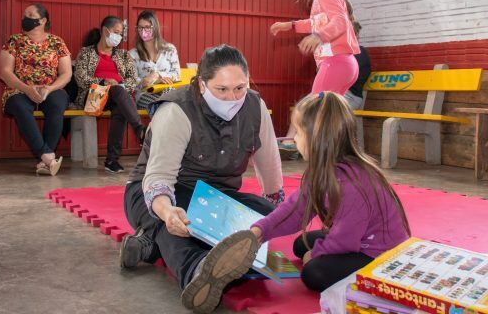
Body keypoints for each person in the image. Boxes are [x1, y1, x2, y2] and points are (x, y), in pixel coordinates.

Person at [121, 45, 285, 313]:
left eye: (240, 88)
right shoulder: (176, 110)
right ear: (201, 85)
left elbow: (269, 165)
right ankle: (198, 271)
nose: (232, 97)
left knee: (266, 215)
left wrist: (276, 211)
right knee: (179, 221)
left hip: (216, 197)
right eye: (221, 89)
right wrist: (166, 212)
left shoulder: (255, 106)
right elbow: (159, 179)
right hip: (158, 194)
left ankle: (148, 247)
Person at [251, 92, 410, 292]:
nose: (294, 138)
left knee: (313, 273)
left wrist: (316, 255)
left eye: (299, 133)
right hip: (356, 239)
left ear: (317, 139)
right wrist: (260, 230)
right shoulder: (322, 171)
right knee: (301, 244)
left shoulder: (353, 185)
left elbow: (345, 240)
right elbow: (295, 210)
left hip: (379, 254)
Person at [270, 0, 360, 147]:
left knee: (311, 110)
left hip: (335, 62)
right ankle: (333, 152)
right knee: (328, 116)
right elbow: (316, 22)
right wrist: (291, 26)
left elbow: (340, 22)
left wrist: (319, 36)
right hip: (343, 64)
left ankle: (300, 144)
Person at [0, 3, 72, 176]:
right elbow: (5, 72)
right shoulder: (14, 41)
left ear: (43, 20)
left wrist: (51, 88)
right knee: (19, 106)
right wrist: (26, 89)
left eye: (30, 15)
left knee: (58, 103)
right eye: (24, 15)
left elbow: (66, 73)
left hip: (50, 89)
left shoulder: (57, 42)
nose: (25, 18)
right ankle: (47, 156)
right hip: (19, 89)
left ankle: (44, 161)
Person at [74, 16, 146, 174]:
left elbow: (133, 80)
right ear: (105, 31)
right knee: (119, 93)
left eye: (121, 33)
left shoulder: (124, 55)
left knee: (120, 106)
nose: (119, 37)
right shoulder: (86, 53)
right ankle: (140, 130)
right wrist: (102, 82)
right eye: (116, 32)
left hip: (117, 97)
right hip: (93, 96)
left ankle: (112, 160)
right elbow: (80, 78)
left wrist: (118, 85)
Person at [129, 10, 181, 111]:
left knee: (169, 96)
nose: (143, 31)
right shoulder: (133, 54)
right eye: (140, 27)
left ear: (155, 27)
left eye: (147, 27)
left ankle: (159, 125)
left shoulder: (170, 49)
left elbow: (177, 74)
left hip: (167, 91)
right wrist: (144, 81)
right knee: (163, 105)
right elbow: (132, 81)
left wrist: (158, 75)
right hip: (145, 95)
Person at [344, 21, 371, 110]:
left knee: (330, 109)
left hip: (352, 96)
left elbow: (352, 77)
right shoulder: (339, 53)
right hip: (337, 94)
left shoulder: (360, 52)